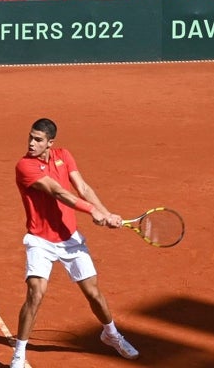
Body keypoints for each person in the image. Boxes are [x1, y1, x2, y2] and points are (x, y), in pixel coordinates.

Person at [9, 118, 138, 368]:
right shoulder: (25, 166)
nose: (31, 143)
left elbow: (83, 187)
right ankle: (19, 355)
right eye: (30, 137)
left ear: (50, 143)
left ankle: (111, 335)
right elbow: (59, 192)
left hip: (70, 239)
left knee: (94, 294)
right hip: (40, 240)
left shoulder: (64, 156)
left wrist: (106, 213)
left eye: (38, 139)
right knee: (36, 292)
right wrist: (93, 212)